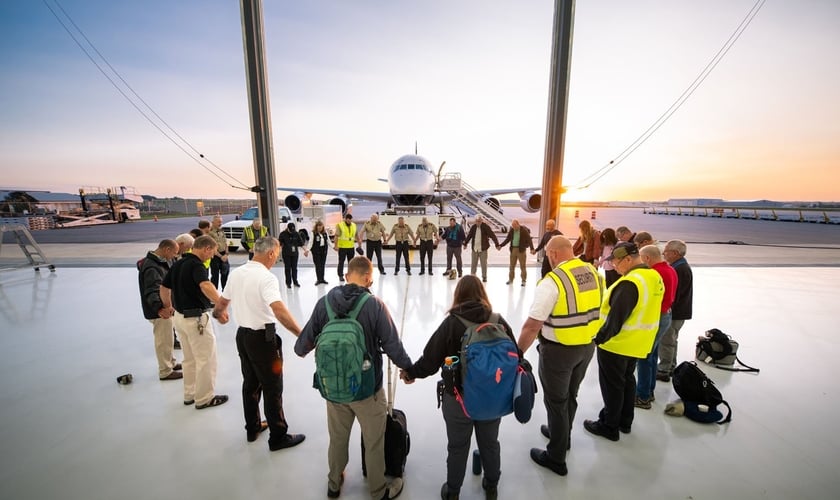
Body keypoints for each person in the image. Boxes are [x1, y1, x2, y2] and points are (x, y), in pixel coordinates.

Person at [294, 256, 411, 500]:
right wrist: (408, 370)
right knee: (374, 442)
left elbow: (300, 347)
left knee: (337, 439)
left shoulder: (324, 303)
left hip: (334, 389)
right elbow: (392, 346)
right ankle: (378, 491)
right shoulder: (375, 305)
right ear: (369, 278)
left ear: (347, 276)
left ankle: (334, 483)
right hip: (368, 390)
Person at [401, 275, 516, 499]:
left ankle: (453, 491)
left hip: (458, 398)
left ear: (458, 295)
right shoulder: (498, 320)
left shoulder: (452, 323)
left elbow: (430, 359)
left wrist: (411, 373)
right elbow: (515, 356)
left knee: (458, 446)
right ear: (482, 293)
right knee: (490, 443)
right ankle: (491, 485)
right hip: (492, 396)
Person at [516, 235, 603, 476]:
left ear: (553, 253)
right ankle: (562, 436)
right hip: (586, 347)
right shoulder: (593, 272)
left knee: (556, 402)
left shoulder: (553, 281)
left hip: (558, 351)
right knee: (570, 396)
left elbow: (533, 325)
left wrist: (517, 353)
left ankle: (556, 458)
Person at [213, 237, 307, 451]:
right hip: (264, 341)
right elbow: (279, 310)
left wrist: (219, 314)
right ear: (271, 253)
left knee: (250, 384)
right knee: (272, 387)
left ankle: (253, 428)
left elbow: (221, 304)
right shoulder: (266, 278)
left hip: (243, 337)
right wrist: (302, 335)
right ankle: (278, 436)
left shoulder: (237, 273)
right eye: (277, 254)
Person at [583, 242, 663, 441]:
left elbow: (615, 320)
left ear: (628, 259)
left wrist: (597, 339)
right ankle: (625, 422)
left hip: (617, 344)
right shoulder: (653, 277)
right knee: (627, 382)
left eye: (616, 262)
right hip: (638, 343)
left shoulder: (630, 283)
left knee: (613, 387)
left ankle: (609, 426)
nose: (614, 267)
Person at [160, 235, 228, 409]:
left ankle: (190, 394)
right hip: (196, 319)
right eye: (212, 253)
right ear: (206, 248)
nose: (211, 256)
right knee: (206, 359)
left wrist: (168, 306)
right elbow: (205, 285)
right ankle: (204, 398)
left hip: (179, 318)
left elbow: (164, 287)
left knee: (189, 359)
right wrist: (221, 306)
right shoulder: (196, 265)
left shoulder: (178, 263)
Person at [634, 245, 677, 409]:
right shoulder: (671, 270)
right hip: (665, 315)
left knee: (644, 356)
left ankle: (643, 396)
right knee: (651, 355)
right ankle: (648, 391)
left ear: (647, 258)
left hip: (656, 317)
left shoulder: (655, 273)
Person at [137, 239, 182, 380]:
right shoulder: (152, 267)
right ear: (166, 249)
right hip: (160, 312)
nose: (174, 256)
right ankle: (165, 371)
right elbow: (152, 290)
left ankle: (171, 363)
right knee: (163, 340)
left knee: (168, 339)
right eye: (174, 253)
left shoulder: (159, 262)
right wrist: (160, 308)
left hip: (164, 309)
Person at [657, 239, 694, 381]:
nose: (664, 254)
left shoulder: (679, 269)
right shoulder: (680, 266)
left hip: (675, 313)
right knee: (671, 340)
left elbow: (675, 295)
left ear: (675, 253)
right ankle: (671, 366)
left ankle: (664, 370)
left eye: (666, 251)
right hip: (680, 312)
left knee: (667, 341)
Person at [497, 218, 534, 286]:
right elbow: (507, 239)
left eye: (515, 226)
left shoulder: (523, 230)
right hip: (513, 249)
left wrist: (532, 248)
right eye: (512, 226)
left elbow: (529, 239)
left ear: (518, 224)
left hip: (521, 250)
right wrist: (501, 246)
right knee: (511, 266)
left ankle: (523, 280)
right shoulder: (512, 230)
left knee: (522, 266)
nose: (514, 227)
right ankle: (510, 279)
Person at [463, 215, 499, 283]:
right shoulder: (473, 227)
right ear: (475, 221)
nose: (478, 222)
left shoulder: (486, 227)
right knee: (473, 264)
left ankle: (484, 277)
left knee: (483, 264)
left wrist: (496, 244)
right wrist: (465, 244)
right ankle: (473, 276)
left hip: (483, 249)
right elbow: (469, 236)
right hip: (475, 249)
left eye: (479, 221)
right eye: (476, 221)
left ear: (482, 221)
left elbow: (492, 235)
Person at [278, 222, 308, 288]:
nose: (292, 232)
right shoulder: (283, 234)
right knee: (287, 268)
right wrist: (278, 253)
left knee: (294, 268)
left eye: (293, 230)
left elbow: (301, 243)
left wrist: (305, 250)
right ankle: (288, 283)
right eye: (290, 230)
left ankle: (295, 281)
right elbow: (279, 245)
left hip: (295, 254)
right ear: (287, 228)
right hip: (286, 254)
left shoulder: (296, 234)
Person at [334, 213, 357, 282]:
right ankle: (340, 275)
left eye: (350, 219)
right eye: (348, 219)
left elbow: (356, 234)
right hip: (342, 247)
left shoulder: (354, 225)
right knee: (341, 262)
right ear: (345, 219)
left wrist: (359, 243)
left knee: (351, 262)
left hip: (351, 247)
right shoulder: (340, 225)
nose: (349, 221)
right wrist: (336, 246)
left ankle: (351, 275)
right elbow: (336, 236)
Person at [208, 215, 230, 290]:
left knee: (225, 273)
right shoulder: (210, 233)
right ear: (213, 222)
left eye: (221, 222)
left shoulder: (221, 231)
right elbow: (212, 247)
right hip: (215, 256)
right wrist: (221, 257)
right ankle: (214, 292)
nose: (220, 223)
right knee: (215, 275)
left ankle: (225, 291)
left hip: (224, 254)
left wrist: (226, 254)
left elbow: (225, 243)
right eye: (218, 222)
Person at [309, 219, 331, 285]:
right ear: (316, 227)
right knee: (318, 265)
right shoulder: (313, 233)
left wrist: (334, 247)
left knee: (322, 265)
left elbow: (328, 241)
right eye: (318, 227)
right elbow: (310, 243)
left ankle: (322, 279)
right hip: (316, 251)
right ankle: (318, 279)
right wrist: (307, 250)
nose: (320, 228)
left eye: (321, 227)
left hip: (323, 251)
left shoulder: (325, 233)